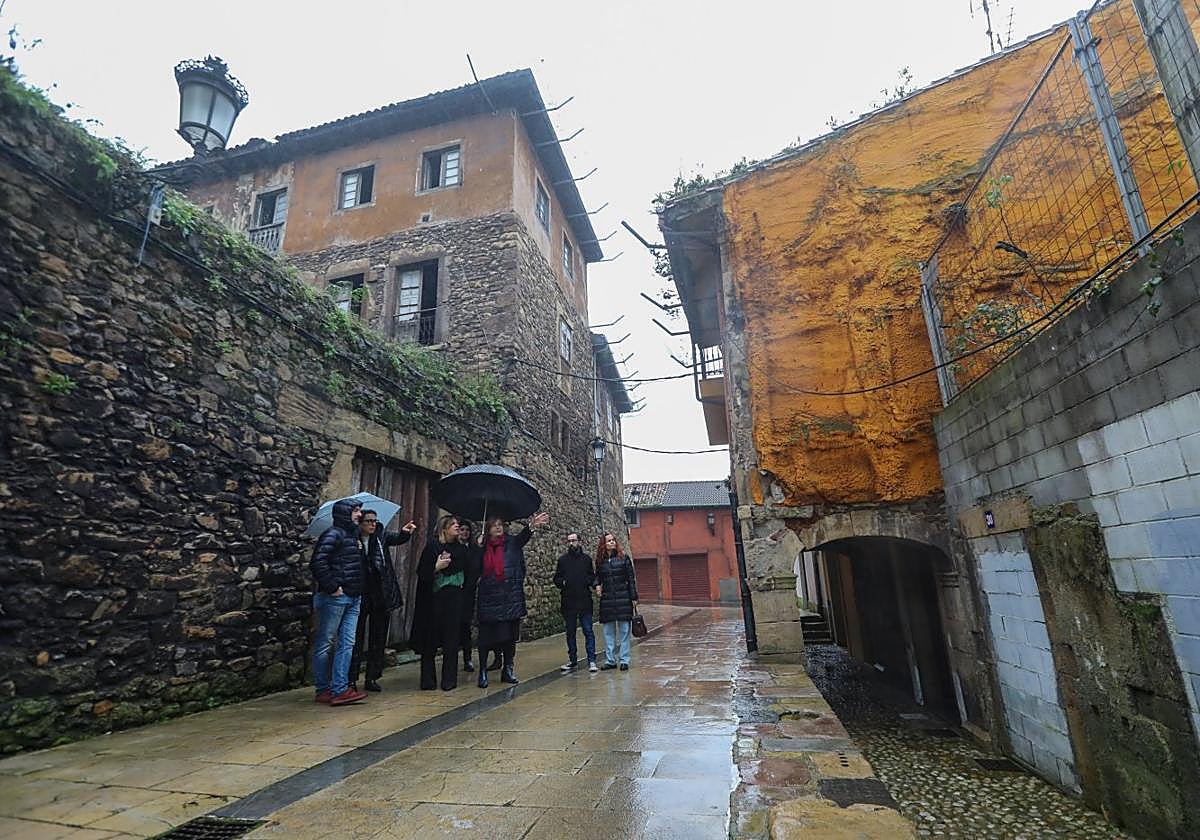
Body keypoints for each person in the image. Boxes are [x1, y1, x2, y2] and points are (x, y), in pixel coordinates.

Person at [475, 511, 550, 688]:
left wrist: (532, 525)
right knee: (485, 638)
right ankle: (483, 671)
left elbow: (523, 537)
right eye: (494, 525)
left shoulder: (512, 543)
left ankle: (508, 669)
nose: (498, 527)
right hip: (489, 598)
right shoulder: (481, 546)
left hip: (510, 598)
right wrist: (477, 548)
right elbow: (473, 568)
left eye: (500, 524)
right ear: (488, 529)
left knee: (509, 638)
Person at [349, 510, 416, 692]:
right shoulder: (352, 539)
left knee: (378, 638)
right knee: (355, 637)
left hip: (380, 593)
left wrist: (405, 533)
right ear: (360, 523)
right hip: (361, 593)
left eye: (374, 521)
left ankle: (372, 677)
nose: (372, 524)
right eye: (368, 521)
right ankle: (351, 678)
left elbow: (397, 539)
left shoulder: (380, 537)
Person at [309, 498, 368, 706]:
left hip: (353, 596)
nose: (359, 515)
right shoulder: (333, 534)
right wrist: (333, 587)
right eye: (356, 511)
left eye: (359, 511)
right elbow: (317, 562)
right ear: (345, 513)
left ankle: (340, 688)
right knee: (325, 643)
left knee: (347, 643)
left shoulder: (353, 536)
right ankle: (324, 688)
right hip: (337, 597)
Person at [412, 515, 466, 691]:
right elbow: (422, 571)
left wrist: (478, 546)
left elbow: (464, 565)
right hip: (434, 598)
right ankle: (428, 680)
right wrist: (436, 567)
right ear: (444, 529)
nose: (457, 526)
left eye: (457, 524)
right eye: (453, 524)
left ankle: (449, 680)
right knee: (430, 639)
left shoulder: (460, 548)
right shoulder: (432, 547)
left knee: (451, 638)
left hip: (454, 597)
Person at [554, 532, 598, 673]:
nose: (571, 543)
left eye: (573, 540)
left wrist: (588, 582)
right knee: (570, 632)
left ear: (579, 541)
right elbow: (557, 578)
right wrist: (563, 582)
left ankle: (592, 660)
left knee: (588, 631)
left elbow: (592, 576)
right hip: (569, 602)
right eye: (569, 541)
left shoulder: (586, 559)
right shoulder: (563, 560)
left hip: (584, 601)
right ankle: (572, 660)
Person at [595, 532, 639, 672]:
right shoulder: (600, 561)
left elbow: (631, 579)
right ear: (604, 544)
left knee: (624, 631)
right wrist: (596, 585)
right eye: (609, 541)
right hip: (607, 599)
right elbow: (597, 577)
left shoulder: (624, 558)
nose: (612, 542)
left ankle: (624, 660)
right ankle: (610, 660)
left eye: (613, 540)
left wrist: (633, 597)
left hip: (623, 598)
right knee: (608, 632)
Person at [458, 520, 482, 673]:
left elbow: (476, 566)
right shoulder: (452, 547)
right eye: (461, 529)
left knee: (465, 625)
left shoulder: (473, 549)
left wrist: (479, 548)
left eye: (467, 530)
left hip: (468, 591)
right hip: (454, 591)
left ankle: (467, 658)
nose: (464, 532)